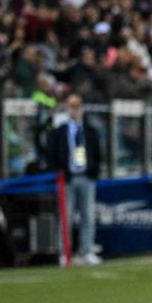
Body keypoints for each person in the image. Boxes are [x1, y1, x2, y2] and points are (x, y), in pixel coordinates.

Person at [48, 94, 103, 265]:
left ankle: (87, 251)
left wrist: (93, 172)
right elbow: (52, 153)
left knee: (88, 216)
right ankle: (65, 253)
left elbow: (98, 154)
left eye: (77, 106)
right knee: (66, 217)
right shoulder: (60, 131)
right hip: (68, 179)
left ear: (82, 108)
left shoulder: (90, 131)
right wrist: (60, 171)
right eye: (71, 107)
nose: (75, 110)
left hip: (86, 177)